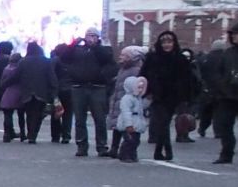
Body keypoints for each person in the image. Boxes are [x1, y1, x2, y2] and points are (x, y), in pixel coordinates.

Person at [200, 21, 238, 164]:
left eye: (237, 34)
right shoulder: (228, 53)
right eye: (232, 34)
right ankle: (226, 153)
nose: (234, 37)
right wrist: (221, 86)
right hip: (227, 95)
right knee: (224, 126)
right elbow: (218, 72)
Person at [61, 28, 117, 156]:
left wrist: (95, 47)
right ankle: (82, 145)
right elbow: (64, 57)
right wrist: (74, 44)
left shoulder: (103, 49)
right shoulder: (78, 50)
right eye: (88, 35)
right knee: (80, 119)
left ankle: (102, 146)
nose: (90, 38)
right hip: (78, 86)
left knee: (99, 118)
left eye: (93, 36)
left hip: (97, 87)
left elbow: (107, 59)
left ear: (98, 38)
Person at [140, 31, 193, 162]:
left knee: (165, 122)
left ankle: (159, 150)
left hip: (172, 96)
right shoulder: (153, 57)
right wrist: (145, 91)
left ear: (174, 43)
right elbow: (144, 75)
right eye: (164, 42)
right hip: (156, 95)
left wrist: (185, 95)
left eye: (169, 42)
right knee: (162, 122)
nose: (167, 45)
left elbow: (187, 78)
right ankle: (166, 150)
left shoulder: (179, 58)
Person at [14, 41, 58, 143]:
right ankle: (33, 134)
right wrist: (54, 90)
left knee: (29, 114)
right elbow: (52, 77)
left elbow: (16, 75)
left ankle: (30, 134)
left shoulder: (23, 61)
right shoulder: (46, 61)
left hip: (26, 91)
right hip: (42, 91)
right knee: (38, 114)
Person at [115, 75, 147, 163]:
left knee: (136, 141)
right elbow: (126, 112)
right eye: (138, 87)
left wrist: (148, 101)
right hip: (129, 123)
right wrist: (128, 124)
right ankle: (124, 154)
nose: (140, 90)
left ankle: (132, 154)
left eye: (141, 88)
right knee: (129, 140)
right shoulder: (127, 99)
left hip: (136, 123)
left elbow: (142, 108)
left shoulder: (138, 98)